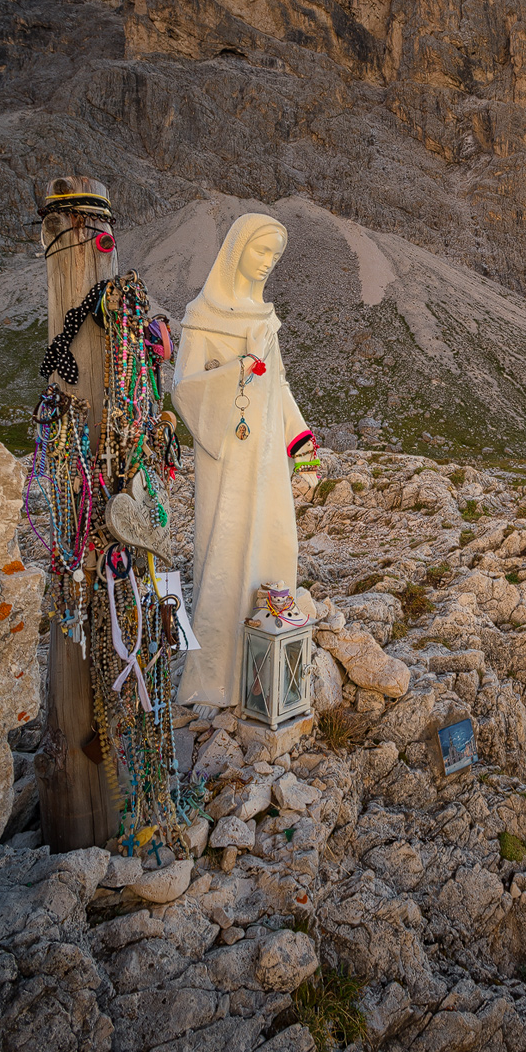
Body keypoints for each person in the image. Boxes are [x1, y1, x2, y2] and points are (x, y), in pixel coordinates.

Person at [172, 213, 316, 708]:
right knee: (226, 551)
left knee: (275, 543)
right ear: (236, 251)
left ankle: (267, 666)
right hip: (228, 458)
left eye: (275, 255)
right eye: (261, 251)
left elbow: (279, 385)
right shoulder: (203, 316)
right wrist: (237, 370)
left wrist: (300, 443)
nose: (268, 263)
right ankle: (216, 673)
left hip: (267, 460)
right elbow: (185, 389)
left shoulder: (264, 319)